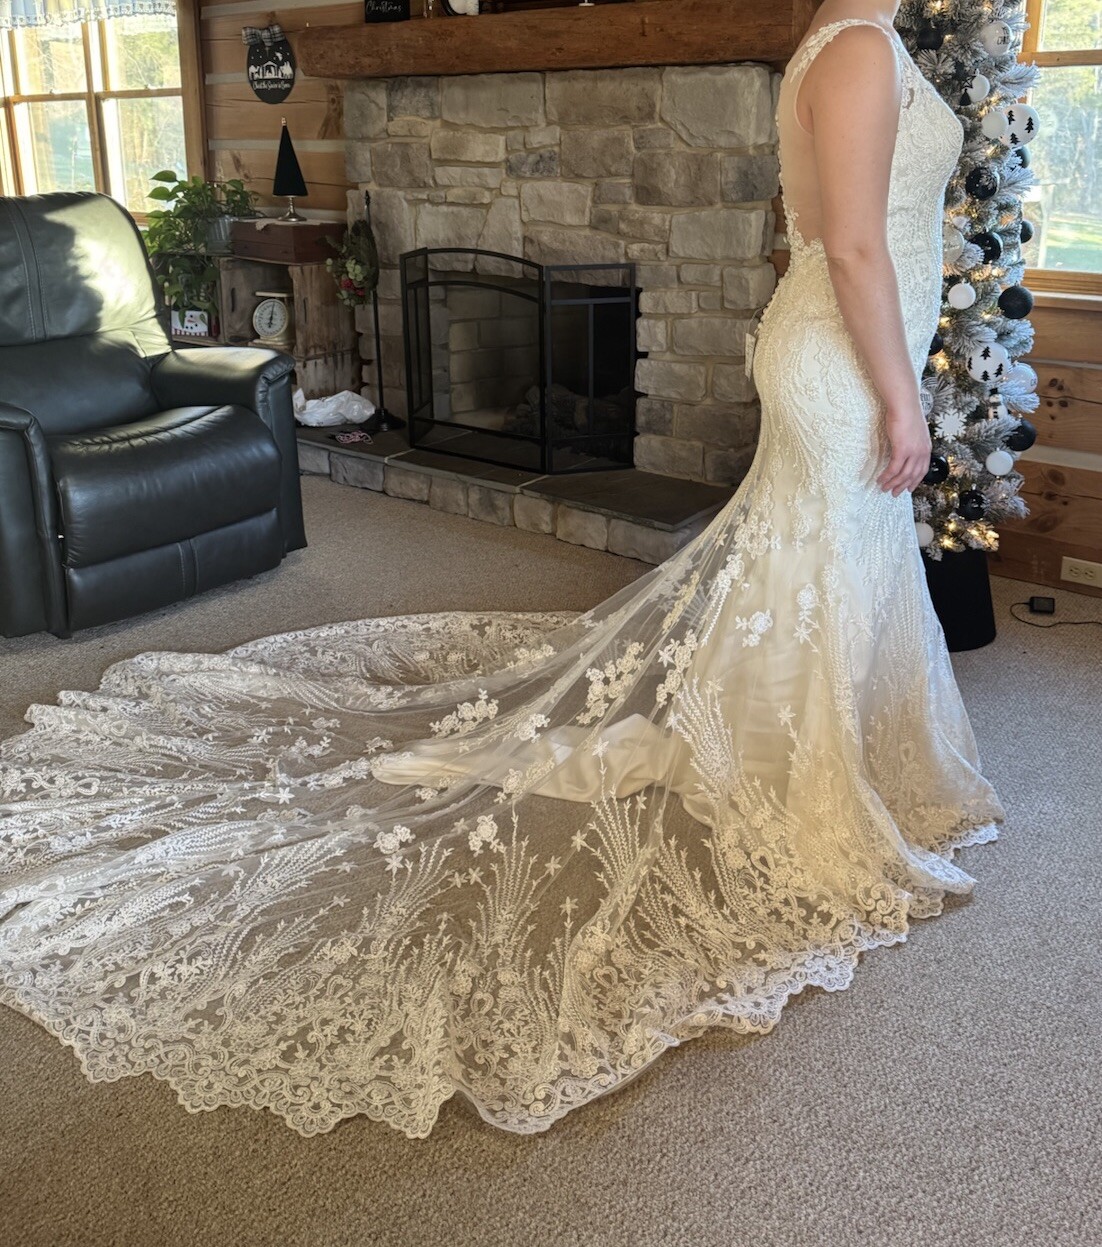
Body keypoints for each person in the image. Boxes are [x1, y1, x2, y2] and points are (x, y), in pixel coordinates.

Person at [0, 2, 1006, 1140]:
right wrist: (904, 399)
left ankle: (805, 743)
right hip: (848, 359)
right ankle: (792, 771)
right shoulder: (860, 47)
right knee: (815, 560)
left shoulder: (838, 36)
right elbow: (856, 244)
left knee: (817, 565)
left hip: (838, 345)